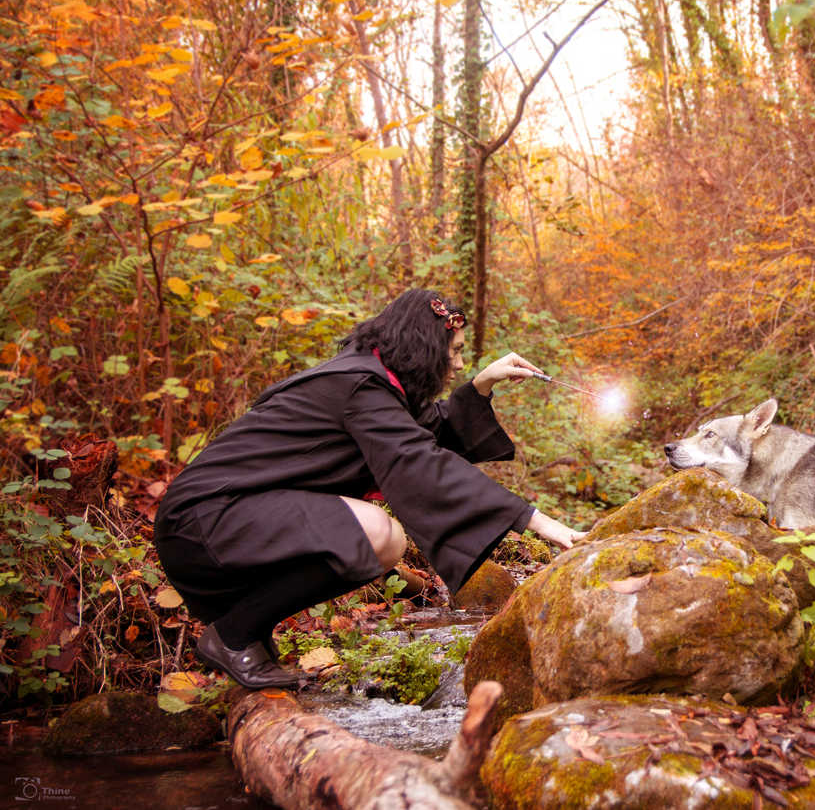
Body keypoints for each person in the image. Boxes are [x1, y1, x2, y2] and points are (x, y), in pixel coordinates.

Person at [152, 289, 585, 688]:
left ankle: (247, 634)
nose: (455, 365)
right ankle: (234, 636)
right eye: (452, 353)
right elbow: (420, 461)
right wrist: (533, 519)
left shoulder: (369, 381)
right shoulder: (361, 385)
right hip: (205, 521)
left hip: (223, 520)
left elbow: (427, 431)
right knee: (380, 535)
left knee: (368, 535)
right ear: (426, 346)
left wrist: (482, 383)